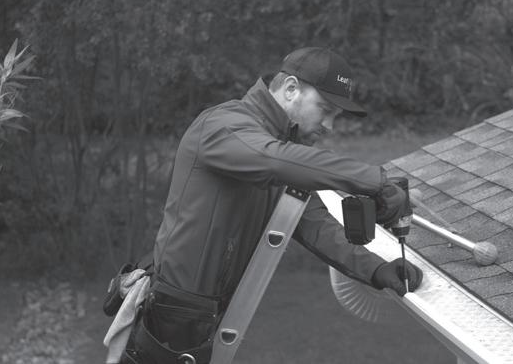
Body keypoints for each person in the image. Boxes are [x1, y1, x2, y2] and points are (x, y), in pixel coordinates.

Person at [122, 47, 423, 364]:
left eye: (336, 116)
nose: (330, 125)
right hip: (173, 312)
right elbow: (273, 160)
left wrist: (376, 269)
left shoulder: (281, 153)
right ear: (291, 89)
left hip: (209, 314)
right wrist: (374, 181)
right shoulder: (223, 126)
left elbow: (314, 225)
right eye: (325, 109)